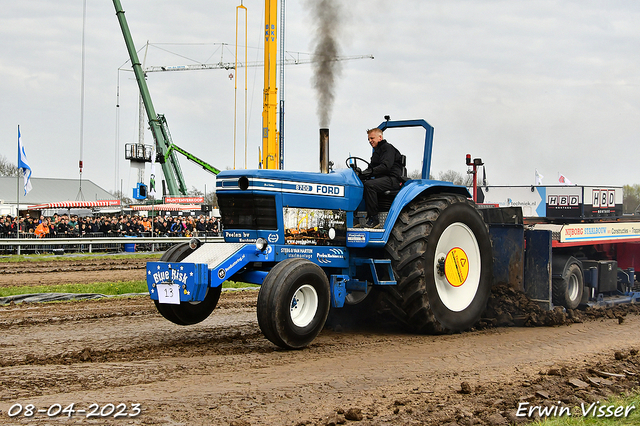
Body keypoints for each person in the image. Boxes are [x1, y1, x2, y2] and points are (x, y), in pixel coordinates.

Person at [357, 128, 404, 228]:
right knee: (358, 183)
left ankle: (374, 219)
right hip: (382, 179)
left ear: (380, 137)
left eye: (372, 138)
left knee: (370, 185)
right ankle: (356, 217)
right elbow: (371, 167)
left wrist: (369, 172)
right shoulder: (376, 152)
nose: (370, 141)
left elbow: (385, 167)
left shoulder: (388, 148)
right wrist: (360, 173)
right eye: (369, 139)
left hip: (393, 179)